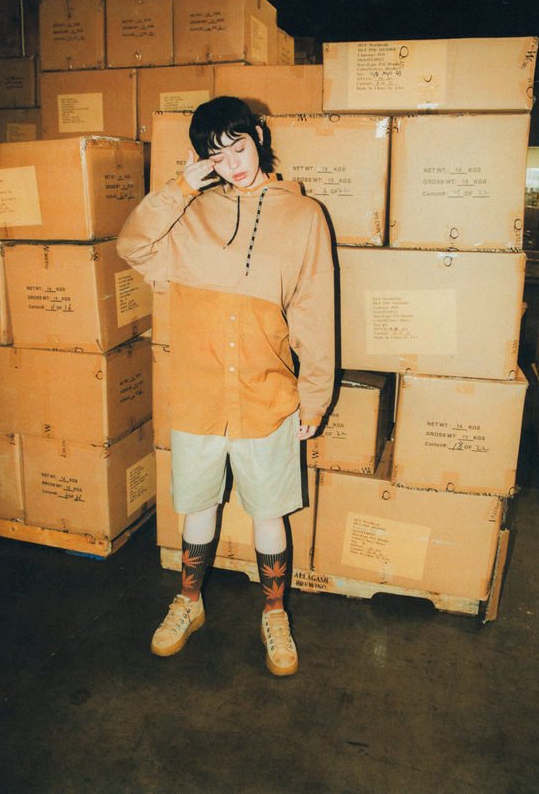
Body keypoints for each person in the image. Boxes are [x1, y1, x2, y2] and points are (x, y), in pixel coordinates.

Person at [117, 96, 335, 677]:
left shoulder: (304, 216)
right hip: (199, 395)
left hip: (267, 397)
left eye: (238, 148)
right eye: (216, 156)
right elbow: (131, 246)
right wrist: (180, 187)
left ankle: (274, 613)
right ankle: (188, 602)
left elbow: (315, 312)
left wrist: (315, 397)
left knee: (269, 512)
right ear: (202, 160)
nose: (233, 165)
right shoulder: (189, 214)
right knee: (197, 506)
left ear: (259, 136)